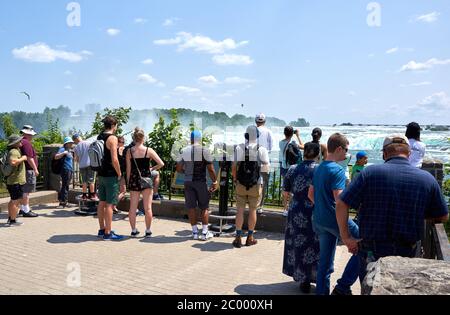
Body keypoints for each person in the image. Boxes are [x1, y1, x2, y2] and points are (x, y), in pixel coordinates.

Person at [337, 134, 449, 284]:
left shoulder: (369, 174)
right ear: (409, 154)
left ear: (384, 154)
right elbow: (442, 216)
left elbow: (341, 203)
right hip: (407, 252)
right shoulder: (427, 179)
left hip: (372, 250)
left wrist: (346, 238)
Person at [308, 133, 360, 295]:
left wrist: (323, 206)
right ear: (338, 149)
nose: (346, 154)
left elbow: (310, 195)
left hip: (319, 219)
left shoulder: (319, 167)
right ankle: (343, 286)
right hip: (334, 220)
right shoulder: (337, 170)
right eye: (346, 150)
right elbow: (340, 201)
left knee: (325, 263)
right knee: (366, 245)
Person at [282, 142, 320, 294]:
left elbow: (285, 192)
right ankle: (315, 276)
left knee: (297, 243)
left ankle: (301, 277)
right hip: (314, 211)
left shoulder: (292, 169)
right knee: (314, 243)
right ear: (318, 154)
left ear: (304, 153)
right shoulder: (319, 170)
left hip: (296, 211)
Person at [176, 130, 218, 241]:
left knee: (191, 207)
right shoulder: (205, 150)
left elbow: (179, 168)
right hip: (200, 182)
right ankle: (204, 233)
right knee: (204, 207)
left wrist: (187, 172)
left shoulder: (184, 150)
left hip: (188, 182)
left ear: (191, 139)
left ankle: (194, 232)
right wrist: (215, 181)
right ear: (200, 139)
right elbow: (211, 169)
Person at [232, 126, 269, 248]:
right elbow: (266, 167)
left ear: (246, 135)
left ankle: (238, 238)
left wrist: (235, 179)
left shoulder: (239, 148)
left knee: (240, 211)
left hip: (241, 183)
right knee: (253, 210)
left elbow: (234, 165)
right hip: (255, 184)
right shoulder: (261, 149)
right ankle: (250, 237)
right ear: (257, 136)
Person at [126, 128, 165, 238]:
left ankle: (133, 230)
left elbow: (128, 169)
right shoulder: (149, 150)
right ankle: (148, 231)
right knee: (148, 207)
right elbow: (161, 163)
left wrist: (129, 182)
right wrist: (152, 168)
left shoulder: (129, 151)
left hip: (134, 179)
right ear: (143, 138)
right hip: (146, 179)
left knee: (132, 207)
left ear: (134, 138)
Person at [96, 116, 123, 241]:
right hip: (110, 175)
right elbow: (114, 159)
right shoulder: (112, 138)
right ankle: (108, 233)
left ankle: (102, 229)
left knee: (101, 202)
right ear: (113, 125)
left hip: (100, 174)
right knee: (110, 205)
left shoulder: (100, 136)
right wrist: (119, 173)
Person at [279, 126, 304, 217]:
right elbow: (304, 147)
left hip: (284, 168)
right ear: (292, 133)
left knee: (285, 189)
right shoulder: (294, 143)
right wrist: (297, 136)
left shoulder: (280, 143)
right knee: (293, 189)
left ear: (284, 133)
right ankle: (292, 208)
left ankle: (285, 209)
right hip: (293, 169)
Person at [4, 135, 28, 227]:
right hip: (16, 181)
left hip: (12, 180)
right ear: (15, 143)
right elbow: (13, 162)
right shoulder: (14, 151)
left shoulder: (11, 151)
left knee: (12, 200)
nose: (21, 141)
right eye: (19, 140)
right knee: (16, 201)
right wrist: (24, 158)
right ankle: (13, 221)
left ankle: (10, 218)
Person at [19, 125, 39, 218]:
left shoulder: (20, 141)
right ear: (26, 134)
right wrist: (35, 169)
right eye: (31, 135)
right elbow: (29, 158)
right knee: (26, 190)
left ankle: (23, 208)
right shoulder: (26, 143)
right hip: (28, 170)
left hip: (24, 170)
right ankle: (26, 210)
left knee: (24, 190)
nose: (32, 136)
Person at [255, 113, 273, 214]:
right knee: (264, 183)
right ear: (264, 121)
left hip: (253, 161)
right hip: (265, 161)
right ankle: (260, 206)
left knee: (254, 182)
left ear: (255, 121)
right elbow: (271, 146)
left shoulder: (251, 131)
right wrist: (265, 152)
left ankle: (253, 204)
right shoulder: (268, 131)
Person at [73, 134, 98, 201]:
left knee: (84, 181)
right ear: (79, 137)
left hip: (82, 165)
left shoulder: (76, 147)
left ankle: (84, 195)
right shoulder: (89, 143)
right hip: (90, 164)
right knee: (91, 180)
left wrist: (81, 160)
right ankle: (92, 195)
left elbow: (76, 159)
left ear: (75, 140)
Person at [54, 137, 75, 208]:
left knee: (66, 186)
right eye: (71, 143)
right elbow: (56, 157)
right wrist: (63, 153)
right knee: (64, 186)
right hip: (65, 169)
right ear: (67, 143)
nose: (72, 143)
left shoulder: (69, 150)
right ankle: (62, 203)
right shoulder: (62, 149)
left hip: (69, 169)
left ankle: (65, 202)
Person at [116, 135, 127, 213]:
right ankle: (112, 205)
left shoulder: (114, 150)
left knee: (116, 191)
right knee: (123, 192)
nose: (123, 143)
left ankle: (112, 206)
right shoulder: (124, 149)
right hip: (122, 172)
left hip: (115, 172)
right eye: (122, 142)